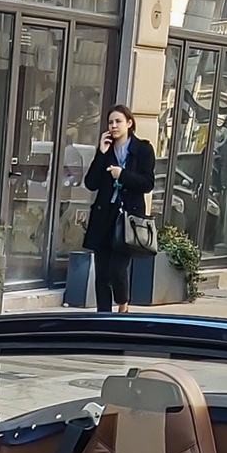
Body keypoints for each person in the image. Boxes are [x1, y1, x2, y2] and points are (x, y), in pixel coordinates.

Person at [82, 104, 156, 313]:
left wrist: (122, 175)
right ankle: (103, 315)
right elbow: (91, 183)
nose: (113, 126)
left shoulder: (142, 149)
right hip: (104, 216)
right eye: (111, 122)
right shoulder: (106, 149)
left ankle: (123, 303)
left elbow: (147, 183)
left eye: (118, 121)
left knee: (117, 268)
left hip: (128, 218)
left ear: (129, 123)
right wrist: (100, 153)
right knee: (102, 272)